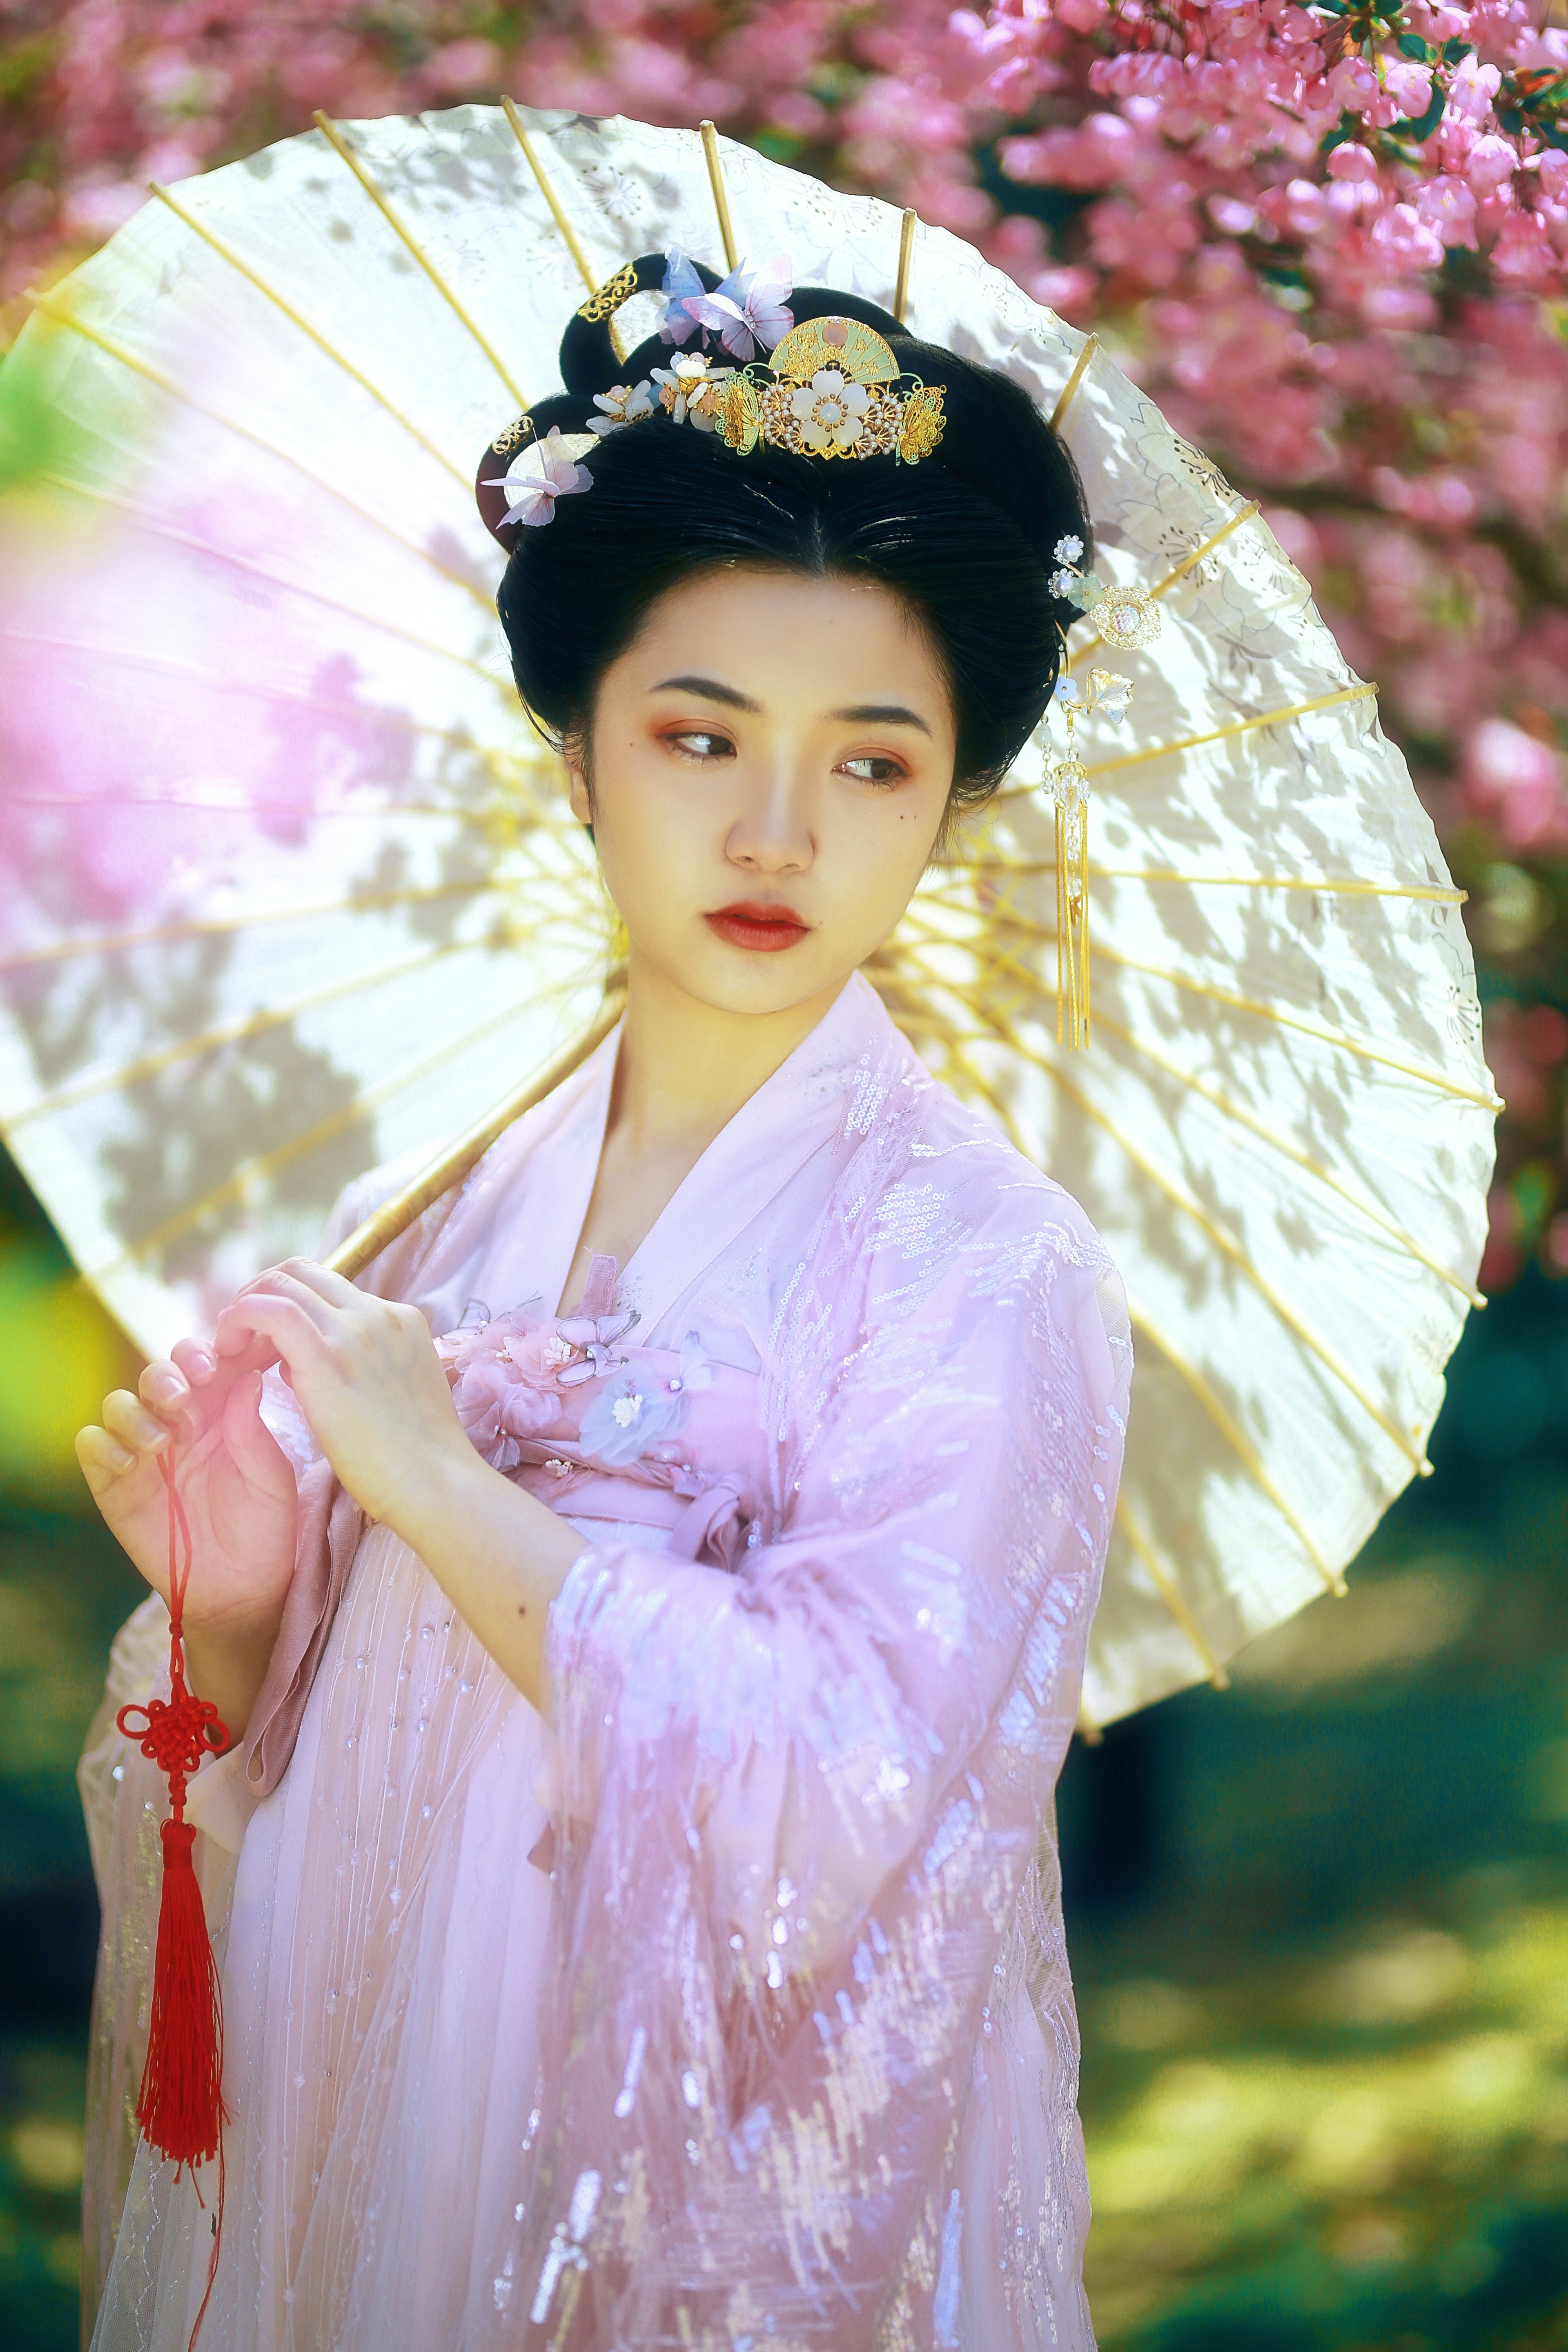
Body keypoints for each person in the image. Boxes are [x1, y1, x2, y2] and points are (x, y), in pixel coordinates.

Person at [73, 259, 1131, 2351]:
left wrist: (446, 1493)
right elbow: (281, 1730)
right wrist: (249, 1612)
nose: (772, 829)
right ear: (577, 750)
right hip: (354, 2017)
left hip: (676, 2125)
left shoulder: (984, 1260)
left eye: (872, 764)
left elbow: (859, 1793)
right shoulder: (443, 1208)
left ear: (955, 803)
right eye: (697, 732)